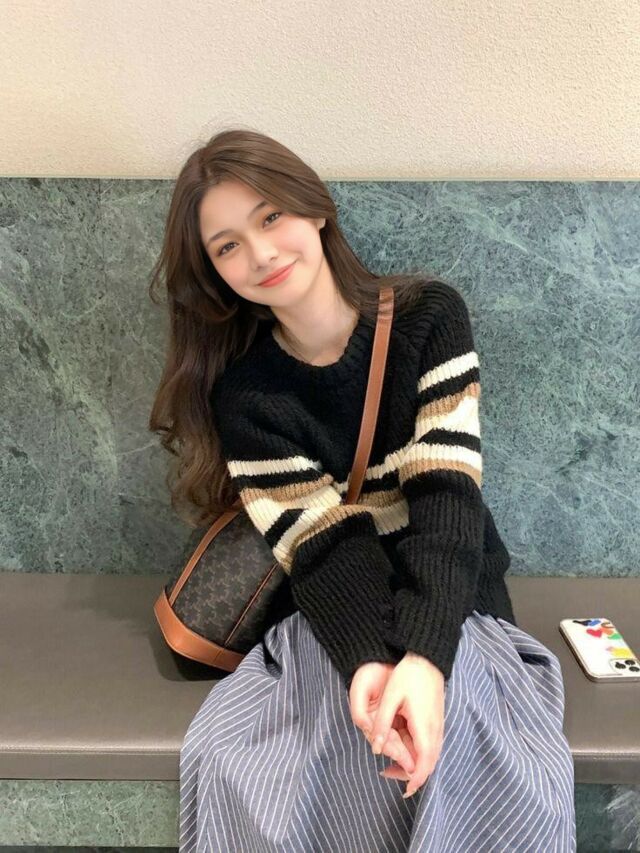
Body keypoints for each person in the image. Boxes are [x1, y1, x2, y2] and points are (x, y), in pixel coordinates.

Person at [148, 127, 576, 852]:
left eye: (270, 217)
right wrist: (371, 664)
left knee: (480, 754)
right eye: (227, 246)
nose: (261, 254)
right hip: (335, 611)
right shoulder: (246, 395)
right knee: (306, 761)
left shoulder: (429, 318)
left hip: (453, 598)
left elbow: (446, 501)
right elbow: (324, 550)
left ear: (315, 208)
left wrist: (427, 659)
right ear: (215, 273)